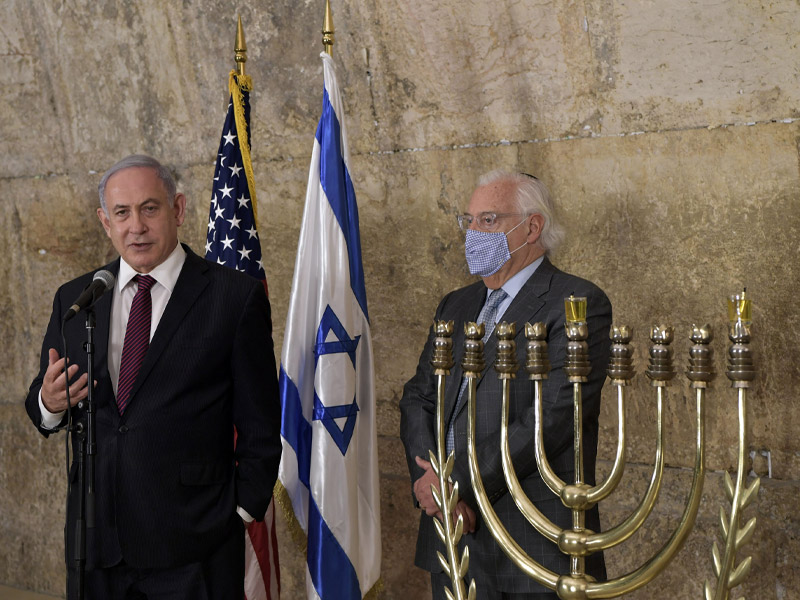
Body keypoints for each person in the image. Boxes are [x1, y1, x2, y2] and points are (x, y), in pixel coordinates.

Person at [25, 154, 281, 599]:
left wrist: (237, 513)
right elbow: (42, 403)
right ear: (106, 222)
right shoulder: (77, 298)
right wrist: (49, 403)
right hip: (97, 544)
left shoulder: (233, 298)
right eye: (122, 213)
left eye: (150, 208)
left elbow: (261, 426)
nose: (136, 226)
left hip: (195, 547)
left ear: (178, 209)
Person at [399, 170, 612, 599]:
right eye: (469, 221)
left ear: (532, 227)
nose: (473, 232)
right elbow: (419, 396)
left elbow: (552, 417)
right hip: (452, 536)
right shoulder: (456, 304)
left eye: (489, 220)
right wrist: (433, 483)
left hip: (534, 539)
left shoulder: (577, 302)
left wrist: (456, 482)